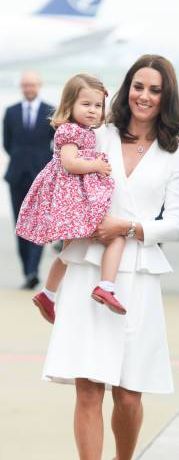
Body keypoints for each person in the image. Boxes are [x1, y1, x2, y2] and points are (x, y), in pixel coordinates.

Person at [42, 55, 179, 460]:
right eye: (138, 86)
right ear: (126, 89)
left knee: (128, 395)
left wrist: (129, 226)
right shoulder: (97, 133)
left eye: (155, 90)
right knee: (88, 390)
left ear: (166, 98)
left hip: (137, 274)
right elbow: (62, 169)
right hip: (88, 270)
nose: (144, 96)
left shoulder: (176, 153)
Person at [16, 73, 127, 324]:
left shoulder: (84, 130)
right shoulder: (69, 131)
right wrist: (96, 165)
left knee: (69, 252)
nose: (92, 111)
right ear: (70, 105)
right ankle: (105, 286)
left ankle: (48, 294)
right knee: (114, 236)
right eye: (86, 105)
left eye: (98, 106)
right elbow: (70, 163)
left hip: (75, 196)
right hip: (71, 199)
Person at [3, 71, 54, 289]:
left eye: (32, 84)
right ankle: (28, 272)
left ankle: (33, 269)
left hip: (41, 176)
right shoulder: (11, 112)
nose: (29, 88)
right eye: (25, 85)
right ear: (21, 87)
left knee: (39, 224)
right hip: (17, 176)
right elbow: (7, 143)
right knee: (20, 224)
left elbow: (57, 143)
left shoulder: (50, 111)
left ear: (39, 85)